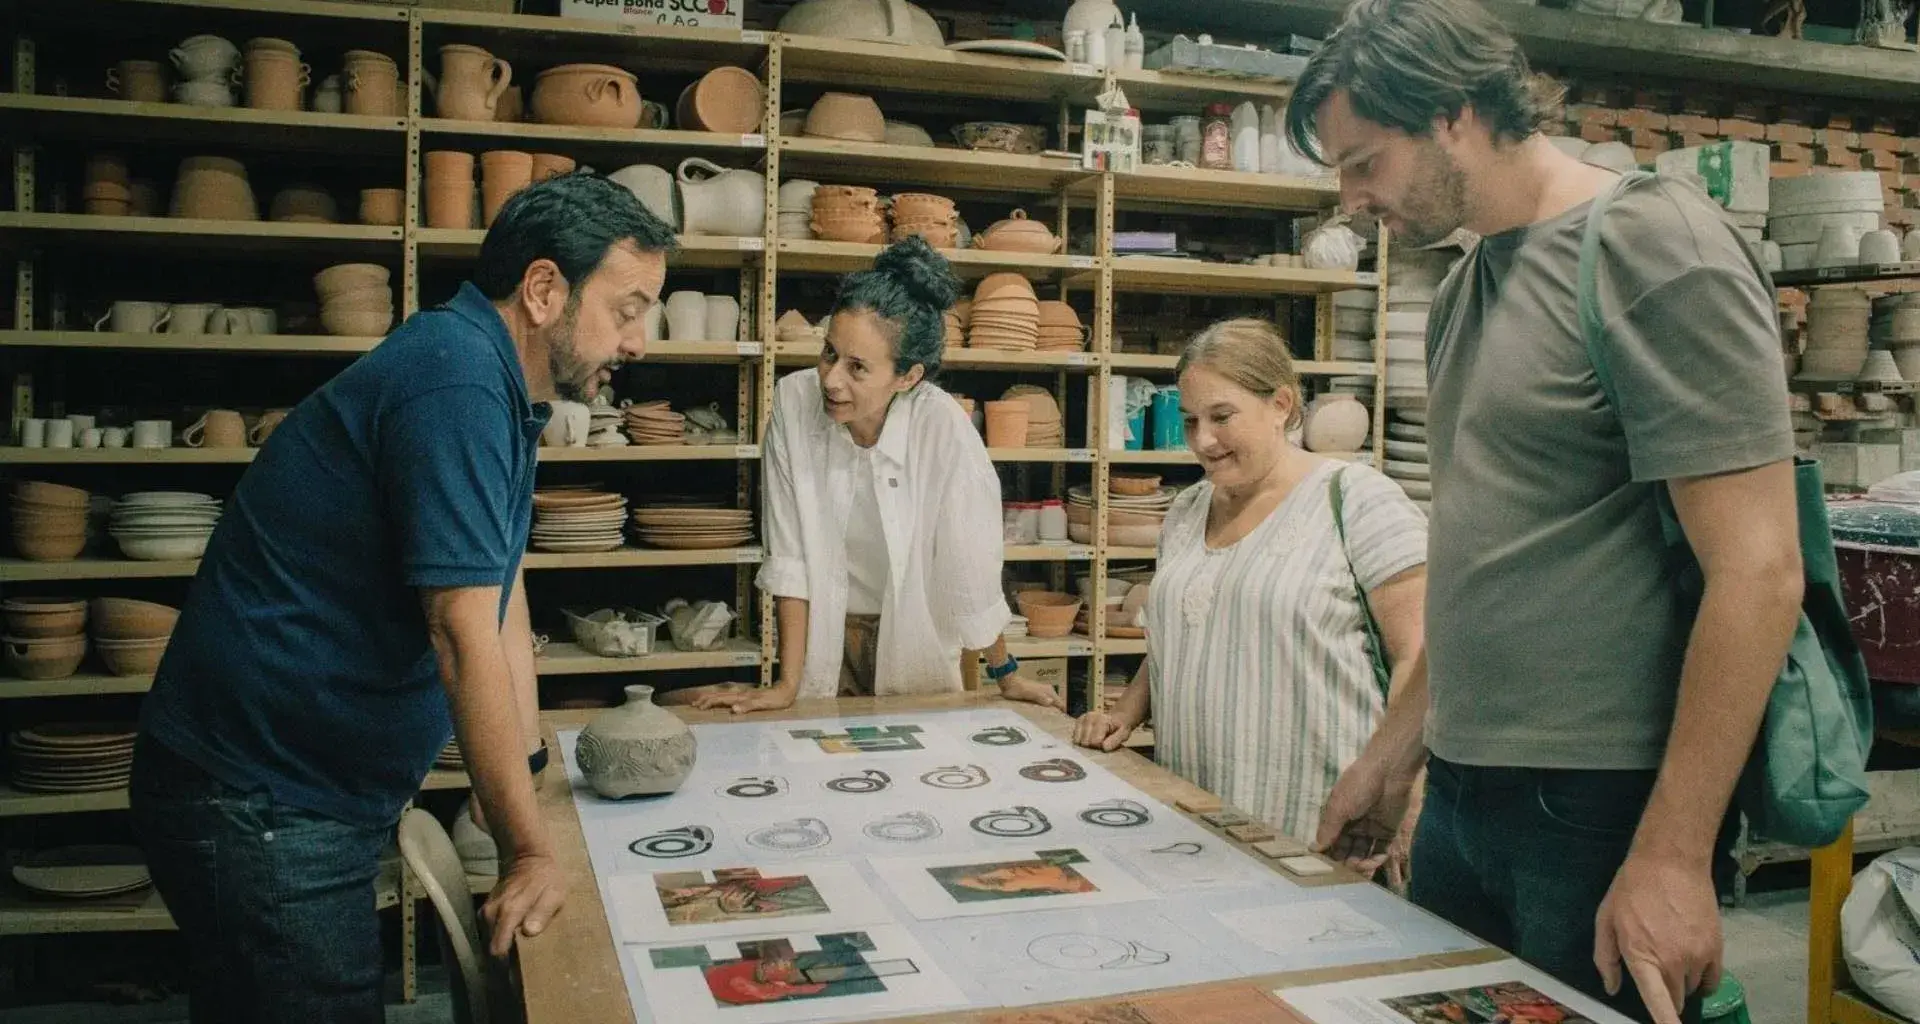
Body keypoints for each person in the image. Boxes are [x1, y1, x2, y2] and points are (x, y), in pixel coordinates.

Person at [1287, 3, 1802, 1023]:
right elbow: (1488, 561)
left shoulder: (1651, 247)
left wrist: (1673, 854)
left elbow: (1760, 570)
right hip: (1461, 796)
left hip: (1597, 804)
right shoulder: (1462, 288)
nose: (1350, 200)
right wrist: (1392, 758)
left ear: (1454, 114)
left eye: (1364, 162)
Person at [130, 172, 674, 1022]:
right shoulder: (456, 381)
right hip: (259, 796)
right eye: (628, 308)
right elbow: (460, 632)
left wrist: (525, 779)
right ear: (543, 290)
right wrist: (527, 851)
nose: (639, 341)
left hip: (289, 787)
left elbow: (502, 594)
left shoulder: (493, 382)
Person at [1071, 319, 1428, 863]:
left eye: (1222, 417)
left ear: (1280, 404)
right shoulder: (1188, 509)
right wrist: (1126, 712)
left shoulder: (1356, 499)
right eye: (1190, 420)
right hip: (1197, 815)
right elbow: (1182, 631)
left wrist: (1399, 786)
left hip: (1323, 822)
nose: (1202, 440)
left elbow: (1419, 659)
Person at [697, 237, 1061, 713]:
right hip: (826, 636)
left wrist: (1006, 675)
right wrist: (787, 684)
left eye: (857, 368)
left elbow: (968, 568)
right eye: (829, 353)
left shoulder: (942, 428)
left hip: (913, 637)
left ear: (908, 377)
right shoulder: (793, 402)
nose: (831, 380)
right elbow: (790, 555)